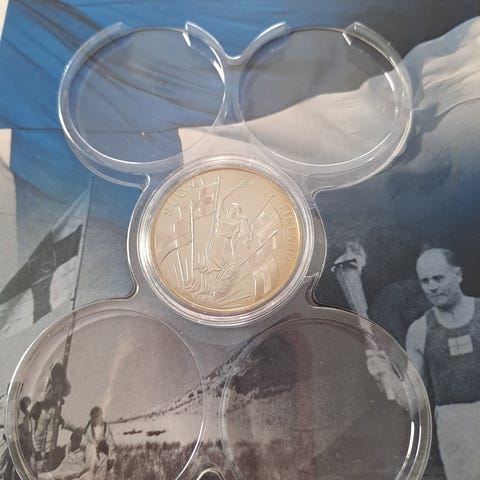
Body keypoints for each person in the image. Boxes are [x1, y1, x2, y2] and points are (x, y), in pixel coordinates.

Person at [368, 247, 480, 480]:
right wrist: (384, 374)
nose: (432, 287)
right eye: (425, 281)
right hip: (453, 427)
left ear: (458, 275)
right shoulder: (420, 331)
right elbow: (414, 400)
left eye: (438, 278)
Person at [31, 363, 71, 469]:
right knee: (39, 433)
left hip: (53, 410)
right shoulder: (45, 382)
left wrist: (59, 396)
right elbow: (41, 398)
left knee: (51, 432)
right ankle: (37, 454)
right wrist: (53, 397)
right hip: (43, 410)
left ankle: (48, 453)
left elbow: (65, 392)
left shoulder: (60, 383)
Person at [84, 407, 115, 480]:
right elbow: (85, 441)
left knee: (101, 477)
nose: (95, 419)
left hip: (102, 457)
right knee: (89, 476)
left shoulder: (105, 427)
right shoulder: (89, 427)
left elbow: (111, 443)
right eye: (93, 417)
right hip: (91, 456)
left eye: (97, 417)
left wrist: (111, 458)